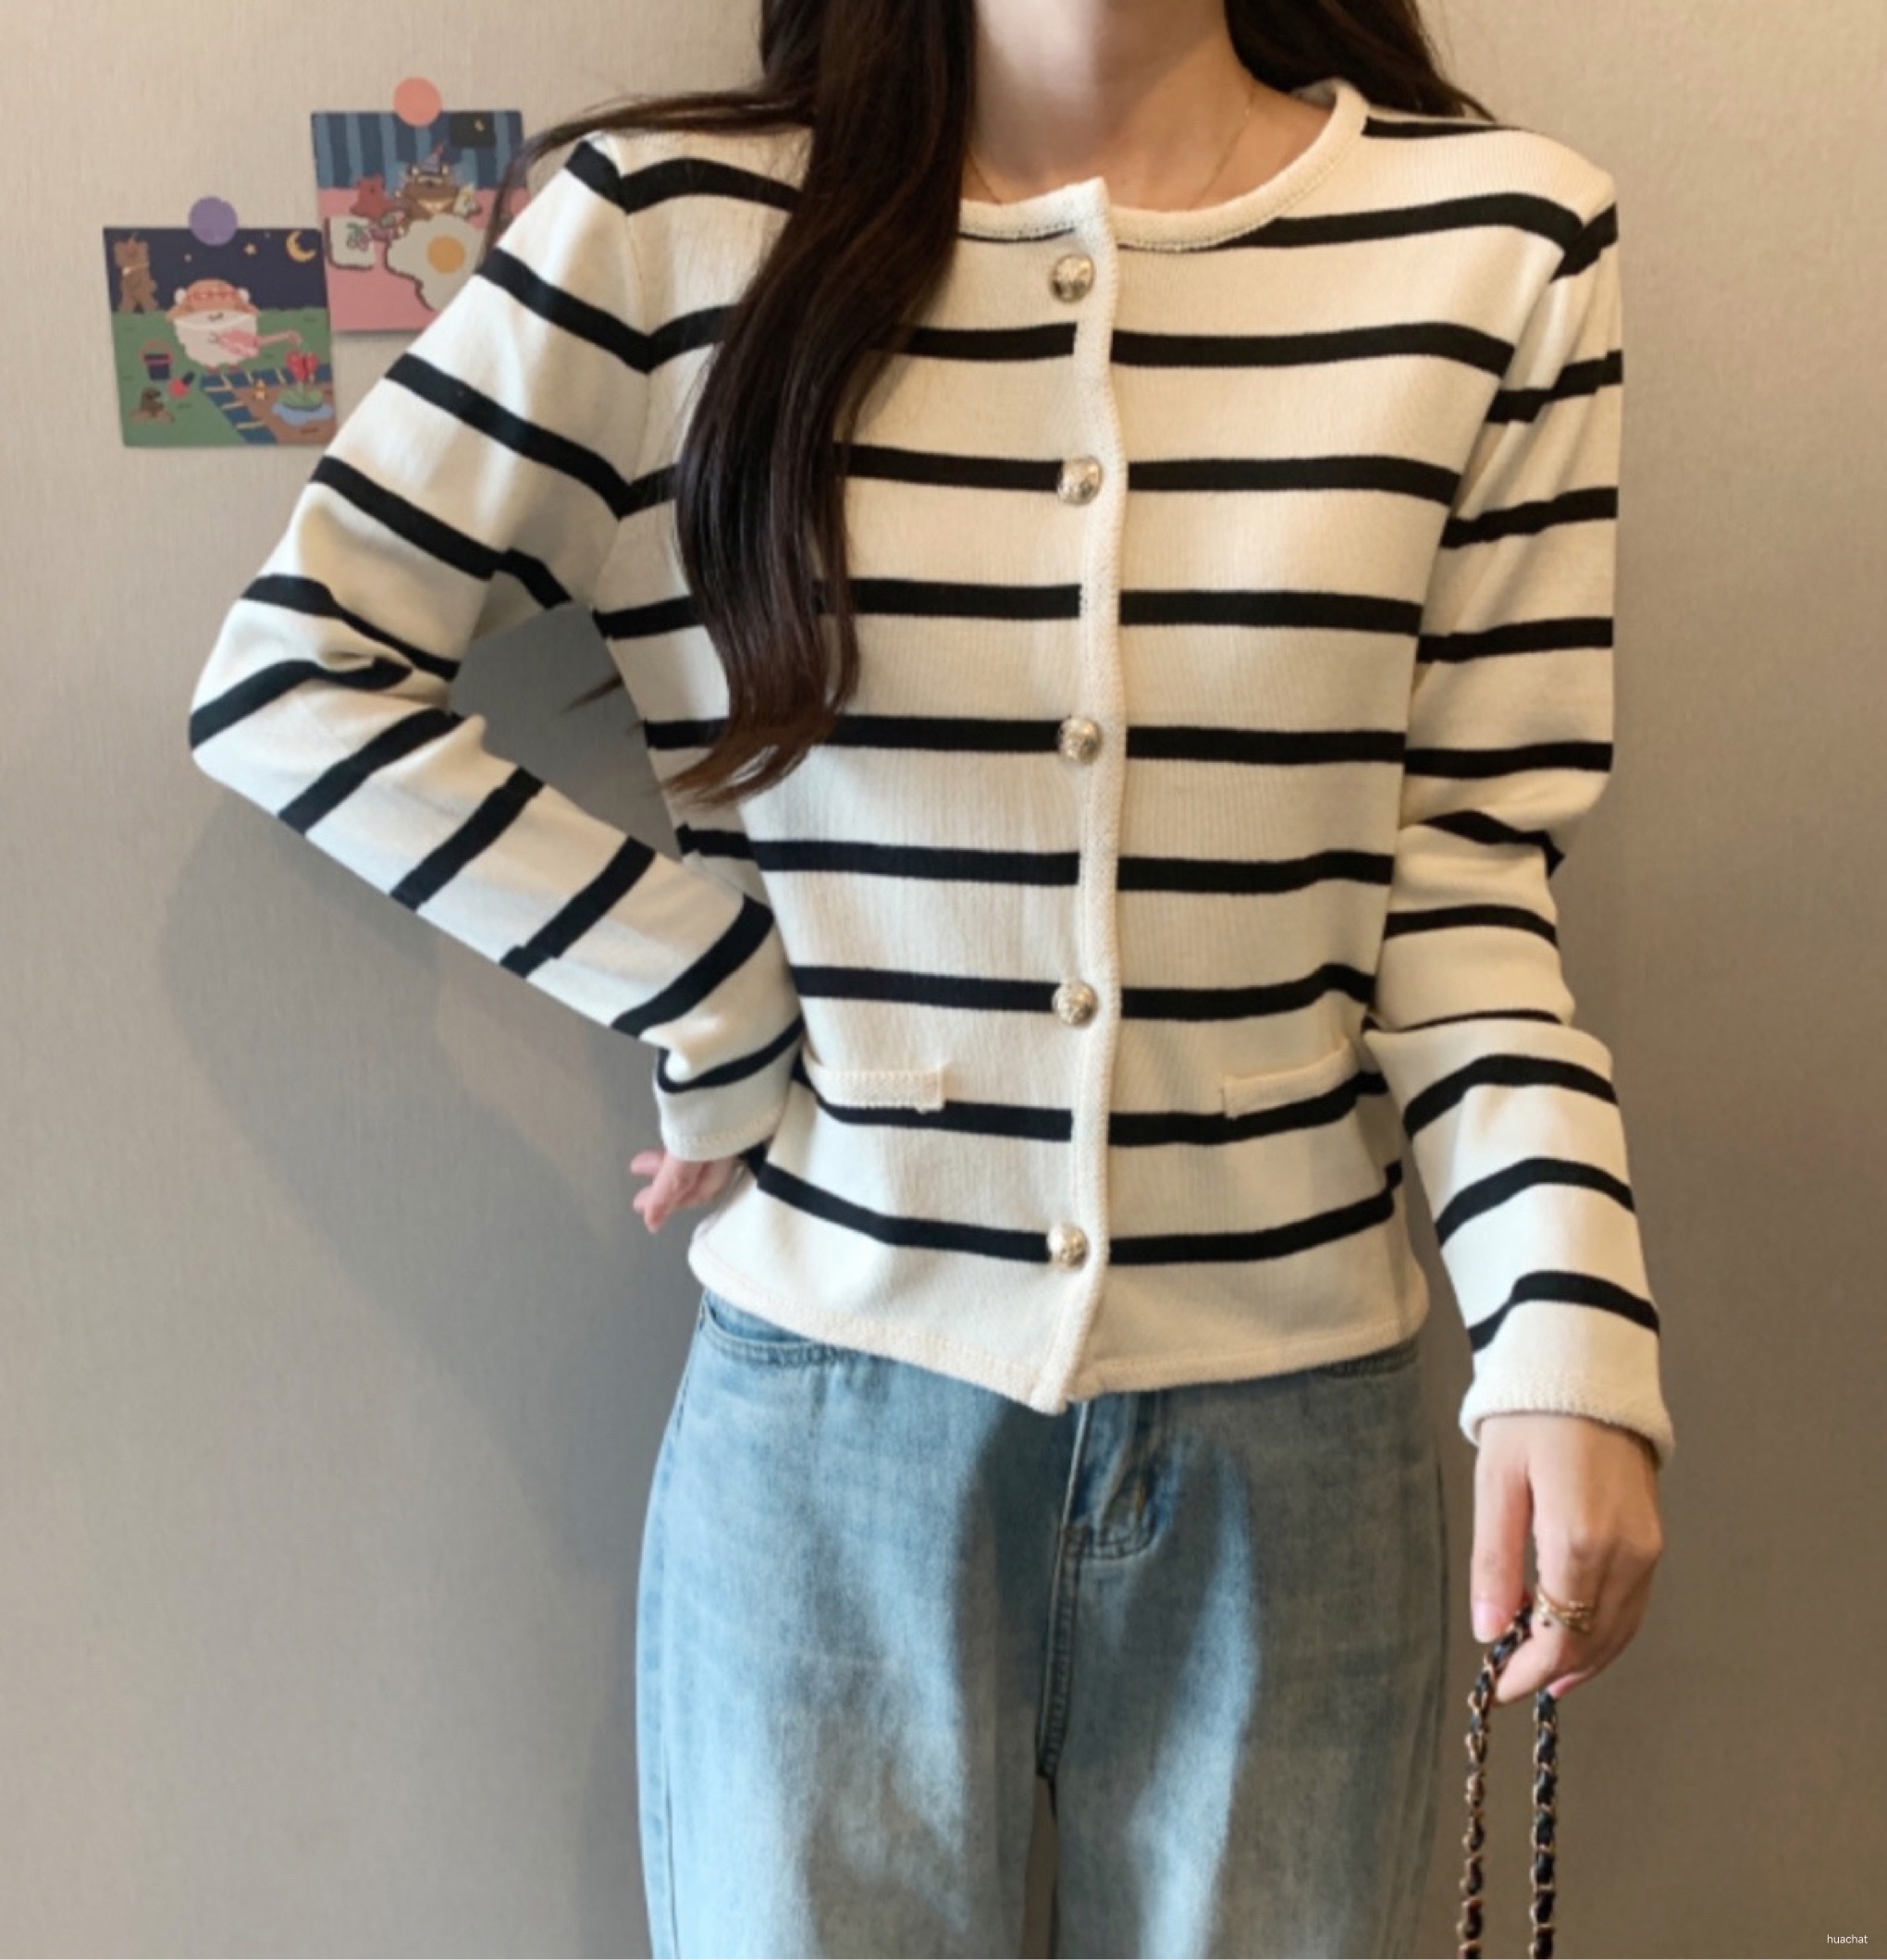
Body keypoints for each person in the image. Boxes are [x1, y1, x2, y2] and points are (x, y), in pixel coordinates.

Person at [187, 1, 1671, 1952]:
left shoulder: (1500, 247)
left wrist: (1566, 1329)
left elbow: (1466, 884)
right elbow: (298, 678)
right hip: (828, 1418)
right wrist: (712, 985)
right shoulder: (667, 230)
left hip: (1298, 1434)